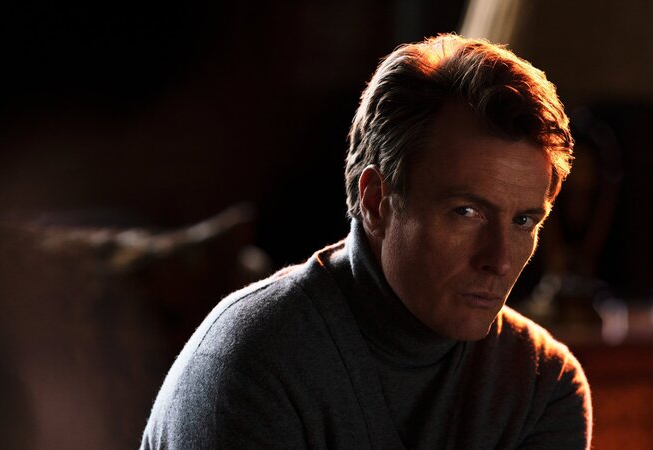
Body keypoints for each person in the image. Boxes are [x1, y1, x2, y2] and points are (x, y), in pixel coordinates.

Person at [141, 33, 592, 449]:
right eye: (466, 212)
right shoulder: (252, 364)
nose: (499, 259)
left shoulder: (542, 384)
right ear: (377, 202)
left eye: (523, 221)